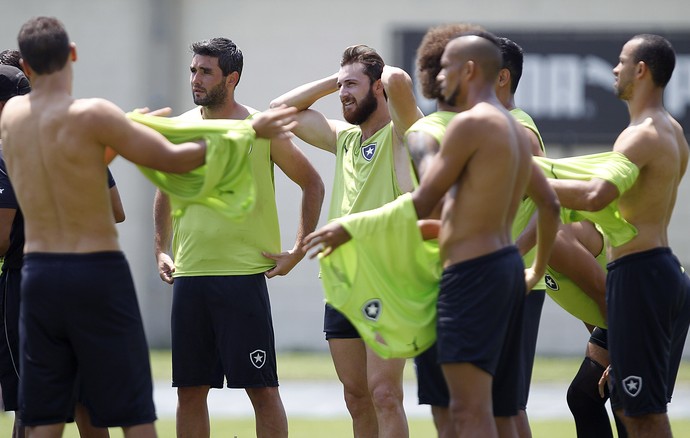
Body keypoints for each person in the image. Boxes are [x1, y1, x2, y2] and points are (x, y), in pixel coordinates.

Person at [0, 16, 296, 438]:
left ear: (25, 66)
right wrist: (246, 134)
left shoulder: (11, 116)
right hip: (94, 271)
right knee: (132, 407)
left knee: (45, 412)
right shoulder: (95, 114)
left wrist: (119, 131)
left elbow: (66, 164)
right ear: (72, 55)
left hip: (37, 274)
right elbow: (173, 161)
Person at [304, 31, 560, 437]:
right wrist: (533, 266)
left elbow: (425, 201)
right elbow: (552, 205)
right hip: (505, 271)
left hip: (466, 277)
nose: (439, 76)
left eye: (445, 68)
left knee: (461, 410)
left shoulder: (464, 128)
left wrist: (354, 227)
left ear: (470, 71)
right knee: (503, 408)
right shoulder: (509, 128)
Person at [152, 37, 324, 438]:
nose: (195, 78)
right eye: (193, 69)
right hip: (190, 278)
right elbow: (165, 190)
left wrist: (298, 251)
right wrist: (161, 248)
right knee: (190, 393)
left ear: (232, 78)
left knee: (262, 391)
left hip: (243, 279)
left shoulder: (260, 127)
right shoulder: (179, 127)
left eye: (205, 71)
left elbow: (312, 183)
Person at [270, 44, 422, 437]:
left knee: (385, 393)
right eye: (341, 87)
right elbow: (278, 109)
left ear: (378, 88)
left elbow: (400, 81)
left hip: (388, 280)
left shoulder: (404, 134)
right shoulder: (345, 138)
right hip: (342, 283)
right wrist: (337, 80)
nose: (342, 95)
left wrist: (376, 73)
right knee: (356, 397)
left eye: (352, 85)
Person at [545, 34, 690, 438]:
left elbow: (596, 195)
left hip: (641, 274)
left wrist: (522, 180)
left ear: (640, 70)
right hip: (650, 272)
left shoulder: (641, 134)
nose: (614, 68)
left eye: (622, 61)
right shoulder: (670, 129)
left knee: (642, 416)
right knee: (622, 406)